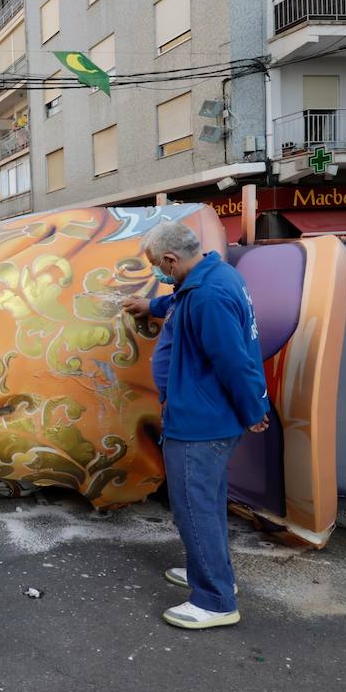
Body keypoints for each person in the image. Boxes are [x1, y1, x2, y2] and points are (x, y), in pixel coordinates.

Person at [125, 221, 269, 630]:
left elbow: (234, 360)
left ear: (171, 259)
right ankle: (208, 573)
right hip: (206, 416)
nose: (157, 272)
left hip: (200, 422)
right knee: (205, 502)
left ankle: (214, 600)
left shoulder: (207, 294)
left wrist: (253, 409)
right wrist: (150, 307)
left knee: (194, 509)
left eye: (157, 265)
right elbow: (180, 305)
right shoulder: (211, 276)